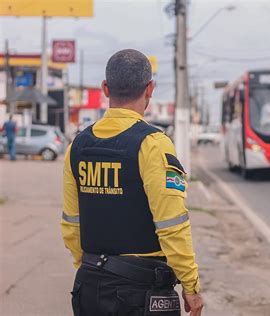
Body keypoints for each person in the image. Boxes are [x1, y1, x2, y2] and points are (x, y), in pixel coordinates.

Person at [61, 49, 203, 316]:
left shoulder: (77, 146)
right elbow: (172, 225)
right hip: (140, 291)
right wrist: (191, 285)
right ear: (150, 89)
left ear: (105, 88)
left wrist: (91, 267)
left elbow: (71, 224)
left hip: (89, 285)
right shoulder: (153, 144)